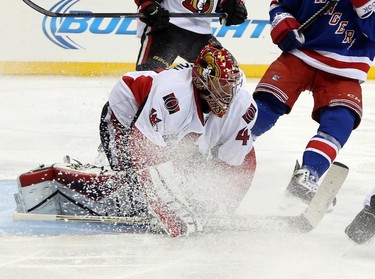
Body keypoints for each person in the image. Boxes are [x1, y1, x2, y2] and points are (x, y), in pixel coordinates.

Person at [14, 44, 257, 238]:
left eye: (231, 88)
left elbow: (240, 162)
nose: (228, 96)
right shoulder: (173, 95)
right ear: (202, 81)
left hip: (168, 128)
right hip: (126, 115)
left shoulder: (243, 106)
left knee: (177, 174)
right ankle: (57, 179)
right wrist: (169, 208)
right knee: (131, 182)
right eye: (221, 88)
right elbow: (143, 148)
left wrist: (224, 206)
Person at [250, 0, 375, 204]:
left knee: (341, 120)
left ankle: (309, 174)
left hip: (345, 68)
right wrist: (284, 24)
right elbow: (279, 5)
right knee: (267, 105)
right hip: (300, 54)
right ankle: (227, 146)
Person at [134, 0, 248, 70]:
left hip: (202, 34)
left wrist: (233, 5)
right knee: (148, 78)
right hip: (167, 28)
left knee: (225, 75)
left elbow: (228, 3)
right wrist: (148, 5)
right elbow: (146, 4)